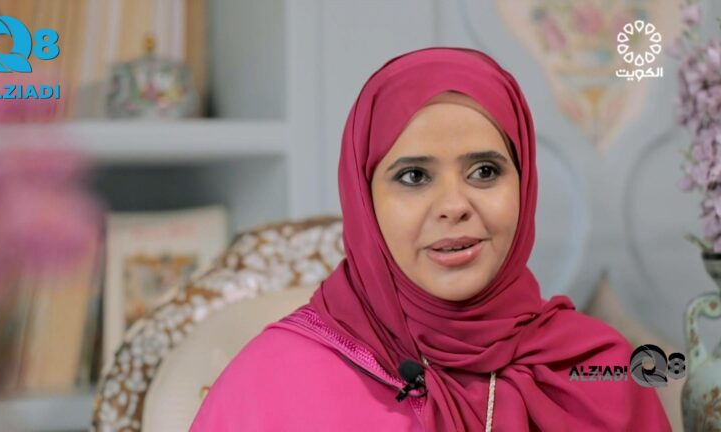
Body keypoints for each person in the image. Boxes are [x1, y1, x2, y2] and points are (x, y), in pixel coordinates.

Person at [189, 47, 671, 431]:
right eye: (414, 177)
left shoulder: (598, 373)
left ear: (524, 184)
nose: (454, 205)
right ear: (363, 200)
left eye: (485, 171)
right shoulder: (270, 384)